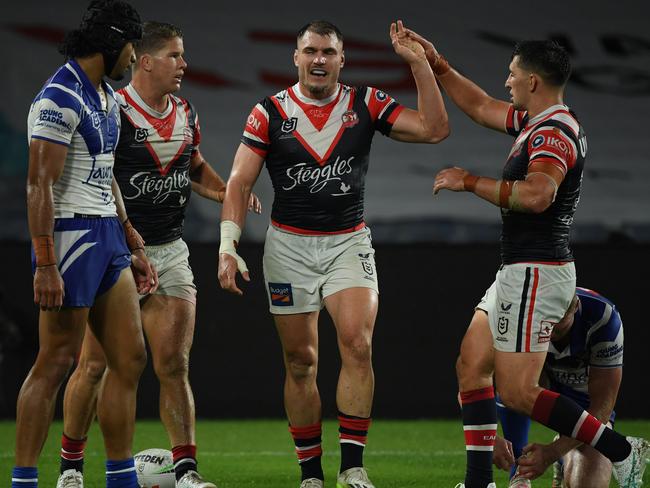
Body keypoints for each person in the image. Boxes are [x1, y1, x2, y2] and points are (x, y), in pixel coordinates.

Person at [403, 29, 648, 488]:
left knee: (517, 392)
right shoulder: (537, 122)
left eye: (513, 73)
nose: (506, 80)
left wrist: (468, 181)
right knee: (471, 363)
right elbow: (478, 106)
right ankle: (480, 482)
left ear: (533, 81)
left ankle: (620, 448)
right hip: (519, 268)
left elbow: (537, 195)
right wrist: (437, 64)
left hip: (538, 270)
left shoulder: (555, 132)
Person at [217, 19, 448, 488]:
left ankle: (352, 468)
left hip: (348, 242)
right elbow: (239, 181)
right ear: (295, 58)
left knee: (357, 344)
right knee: (301, 361)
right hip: (287, 249)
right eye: (310, 51)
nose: (318, 59)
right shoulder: (269, 112)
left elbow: (433, 129)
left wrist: (420, 64)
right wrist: (227, 246)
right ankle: (310, 474)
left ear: (342, 60)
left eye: (328, 52)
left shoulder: (365, 103)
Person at [54, 21, 262, 488]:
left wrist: (227, 191)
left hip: (170, 250)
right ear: (144, 61)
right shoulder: (112, 112)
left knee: (173, 364)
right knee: (94, 364)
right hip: (115, 252)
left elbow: (193, 165)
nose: (184, 65)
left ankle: (186, 470)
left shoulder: (186, 111)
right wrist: (121, 244)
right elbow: (94, 180)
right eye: (175, 55)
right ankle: (70, 468)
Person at [13, 1, 157, 488]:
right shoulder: (58, 97)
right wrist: (45, 263)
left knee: (130, 357)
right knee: (54, 363)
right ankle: (25, 480)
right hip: (69, 237)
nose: (134, 59)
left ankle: (120, 477)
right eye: (133, 48)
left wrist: (131, 235)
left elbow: (105, 174)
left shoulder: (106, 98)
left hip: (107, 235)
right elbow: (38, 184)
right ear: (114, 43)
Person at [493, 287, 624, 488]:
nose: (549, 330)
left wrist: (552, 452)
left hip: (585, 408)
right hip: (538, 390)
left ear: (575, 308)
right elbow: (474, 381)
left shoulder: (603, 318)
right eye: (544, 320)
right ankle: (518, 474)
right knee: (512, 382)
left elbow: (602, 407)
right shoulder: (516, 315)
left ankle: (565, 456)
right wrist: (488, 437)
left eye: (558, 322)